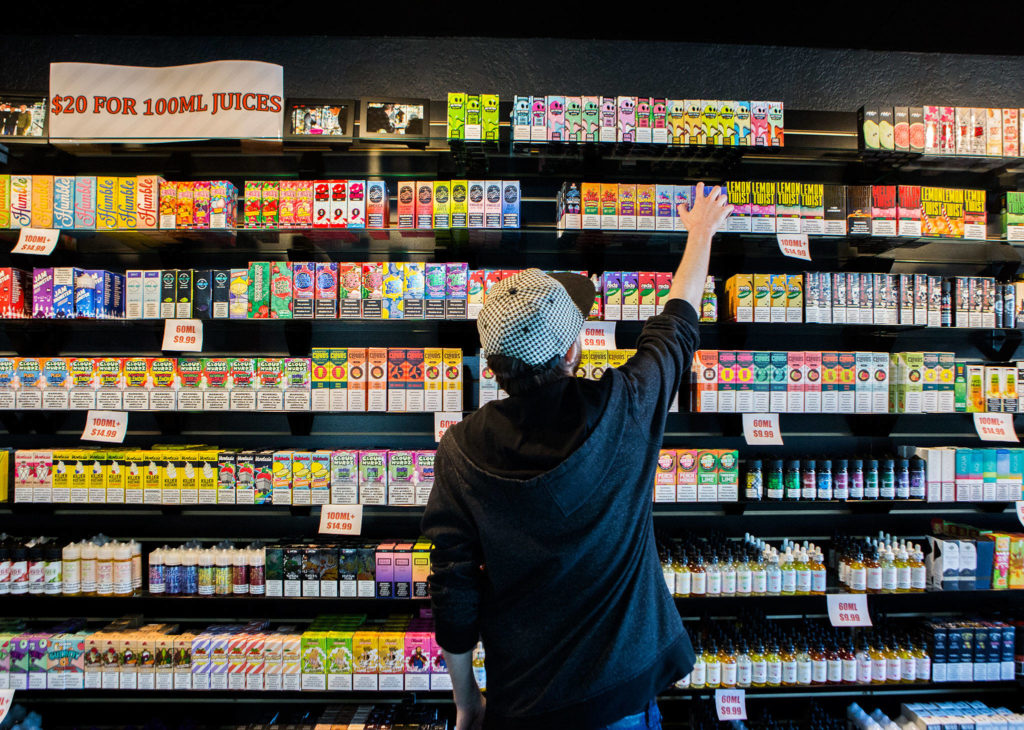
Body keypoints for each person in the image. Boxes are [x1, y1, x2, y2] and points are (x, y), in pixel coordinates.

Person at [421, 183, 734, 730]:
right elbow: (677, 325)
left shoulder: (459, 451)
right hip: (621, 694)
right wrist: (700, 231)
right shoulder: (625, 407)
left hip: (523, 701)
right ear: (573, 349)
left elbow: (454, 588)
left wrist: (468, 701)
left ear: (492, 364)